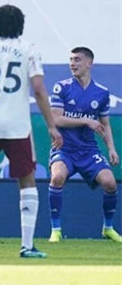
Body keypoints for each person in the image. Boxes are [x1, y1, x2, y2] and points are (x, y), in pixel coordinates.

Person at [0, 4, 63, 258]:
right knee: (26, 180)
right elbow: (38, 89)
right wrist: (51, 125)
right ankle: (26, 246)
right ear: (20, 24)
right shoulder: (28, 49)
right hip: (17, 126)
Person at [47, 47, 121, 243]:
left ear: (89, 63)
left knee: (110, 182)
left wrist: (111, 148)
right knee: (57, 177)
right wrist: (85, 121)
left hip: (88, 151)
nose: (73, 63)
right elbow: (56, 119)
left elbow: (104, 124)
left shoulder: (102, 93)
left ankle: (108, 228)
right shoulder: (61, 87)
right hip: (64, 148)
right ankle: (56, 230)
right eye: (71, 59)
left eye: (78, 60)